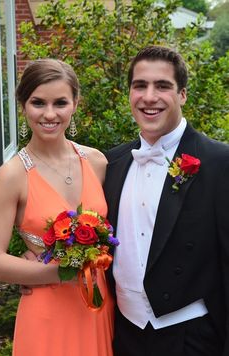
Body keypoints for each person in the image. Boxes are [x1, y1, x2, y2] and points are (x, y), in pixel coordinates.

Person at [104, 45, 229, 356]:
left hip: (192, 337)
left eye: (162, 86)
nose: (149, 97)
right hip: (123, 332)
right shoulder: (112, 164)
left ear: (183, 94)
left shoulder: (219, 162)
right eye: (140, 85)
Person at [0, 58, 114, 356]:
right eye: (38, 103)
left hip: (97, 306)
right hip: (46, 311)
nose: (49, 114)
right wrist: (59, 272)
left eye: (60, 102)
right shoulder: (12, 175)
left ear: (75, 104)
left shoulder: (97, 163)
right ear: (23, 105)